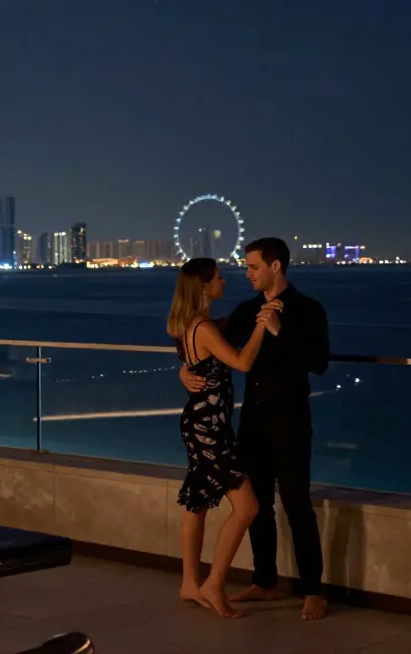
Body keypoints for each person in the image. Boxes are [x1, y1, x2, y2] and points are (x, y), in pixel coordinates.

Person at [180, 237, 330, 620]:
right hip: (252, 422)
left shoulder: (308, 310)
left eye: (253, 267)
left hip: (292, 420)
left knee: (297, 503)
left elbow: (319, 361)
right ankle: (265, 581)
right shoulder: (248, 311)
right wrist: (186, 369)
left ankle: (313, 589)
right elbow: (199, 335)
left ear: (275, 266)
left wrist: (279, 330)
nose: (246, 274)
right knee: (258, 505)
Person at [167, 258, 266, 619]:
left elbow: (202, 353)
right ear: (204, 286)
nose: (225, 280)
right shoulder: (203, 327)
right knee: (248, 507)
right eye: (219, 277)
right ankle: (214, 583)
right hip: (209, 427)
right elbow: (241, 363)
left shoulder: (187, 325)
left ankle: (190, 582)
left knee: (198, 502)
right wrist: (262, 326)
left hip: (200, 422)